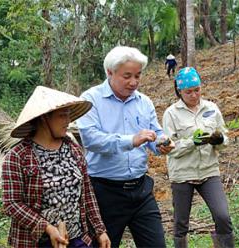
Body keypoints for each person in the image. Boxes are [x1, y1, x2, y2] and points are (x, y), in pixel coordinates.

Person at [76, 46, 175, 248]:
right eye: (127, 76)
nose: (134, 82)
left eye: (138, 75)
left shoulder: (143, 101)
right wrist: (131, 140)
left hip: (141, 190)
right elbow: (92, 140)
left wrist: (162, 143)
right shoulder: (90, 100)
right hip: (104, 191)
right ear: (109, 72)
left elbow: (154, 133)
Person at [2, 86, 111, 248]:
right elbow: (12, 203)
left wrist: (100, 230)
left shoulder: (73, 150)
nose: (68, 121)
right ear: (44, 118)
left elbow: (87, 194)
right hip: (37, 242)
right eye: (62, 116)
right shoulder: (18, 156)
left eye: (68, 115)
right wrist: (47, 227)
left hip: (77, 239)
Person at [163, 67, 234, 248]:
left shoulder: (211, 108)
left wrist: (219, 140)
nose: (194, 95)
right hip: (182, 174)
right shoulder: (171, 114)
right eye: (188, 92)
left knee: (222, 216)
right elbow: (169, 149)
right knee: (181, 223)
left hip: (209, 171)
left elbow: (224, 138)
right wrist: (191, 142)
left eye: (197, 90)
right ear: (179, 91)